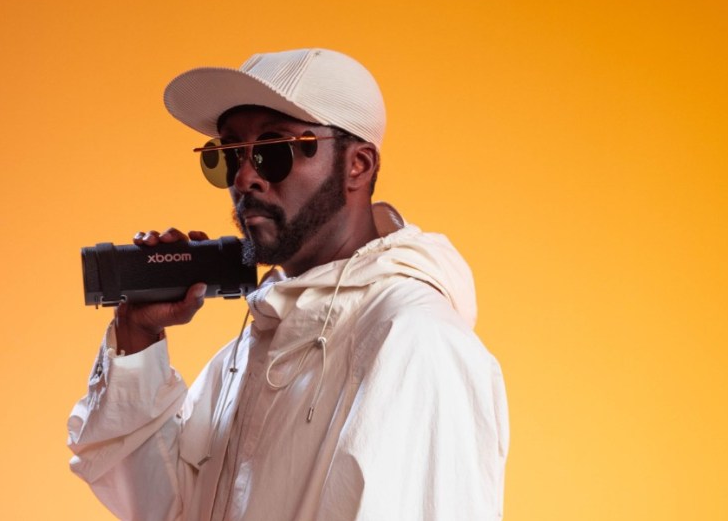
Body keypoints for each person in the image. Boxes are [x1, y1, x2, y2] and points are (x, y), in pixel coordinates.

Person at [67, 48, 509, 520]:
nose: (244, 178)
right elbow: (167, 507)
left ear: (357, 165)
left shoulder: (414, 341)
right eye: (228, 155)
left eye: (273, 151)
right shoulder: (252, 348)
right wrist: (139, 336)